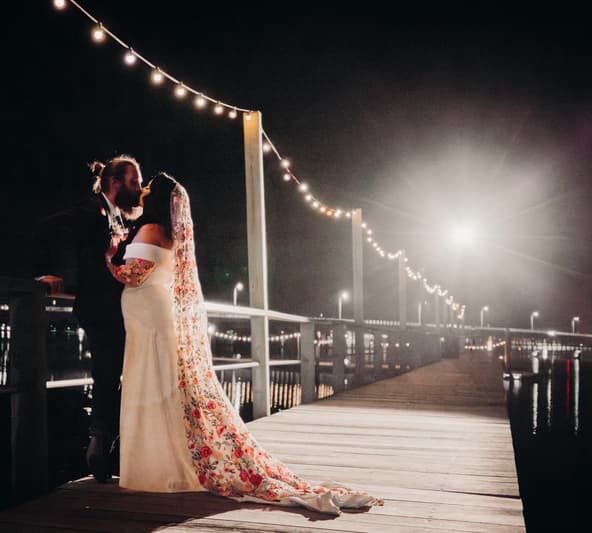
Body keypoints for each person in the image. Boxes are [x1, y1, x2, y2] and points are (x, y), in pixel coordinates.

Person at [104, 172, 383, 513]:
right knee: (160, 386)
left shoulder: (150, 230)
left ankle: (157, 468)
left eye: (147, 187)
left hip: (148, 315)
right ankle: (164, 461)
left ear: (158, 199)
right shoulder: (164, 233)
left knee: (152, 384)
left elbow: (133, 273)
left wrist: (109, 255)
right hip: (149, 314)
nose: (143, 191)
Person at [32, 155, 143, 483]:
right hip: (99, 310)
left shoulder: (117, 216)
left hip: (116, 311)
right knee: (107, 375)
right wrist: (45, 271)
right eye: (134, 182)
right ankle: (100, 445)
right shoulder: (90, 210)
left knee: (117, 376)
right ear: (115, 183)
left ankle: (110, 448)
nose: (139, 189)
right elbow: (46, 228)